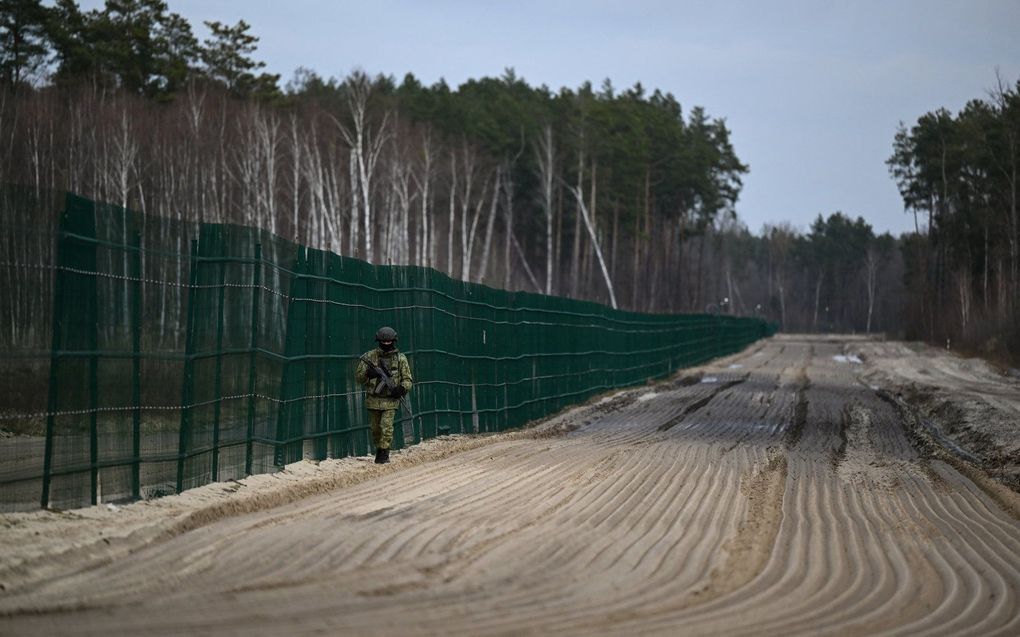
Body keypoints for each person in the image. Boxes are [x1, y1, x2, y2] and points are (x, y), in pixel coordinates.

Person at [355, 326, 413, 464]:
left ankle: (384, 453)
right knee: (376, 429)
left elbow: (408, 379)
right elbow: (358, 377)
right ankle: (379, 449)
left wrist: (401, 389)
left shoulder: (400, 358)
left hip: (391, 400)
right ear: (378, 341)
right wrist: (368, 374)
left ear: (394, 341)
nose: (386, 344)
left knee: (386, 427)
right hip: (373, 399)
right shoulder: (370, 356)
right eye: (384, 341)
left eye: (389, 342)